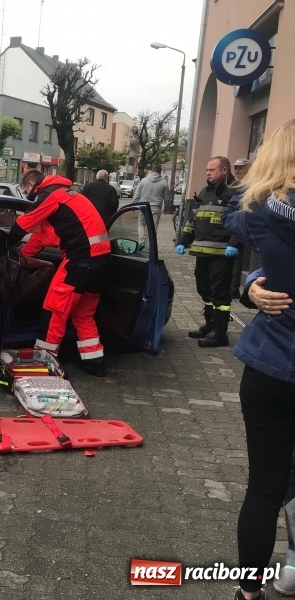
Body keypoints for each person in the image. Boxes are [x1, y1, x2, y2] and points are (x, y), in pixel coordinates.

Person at [222, 119, 295, 600]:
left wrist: (252, 282)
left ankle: (249, 593)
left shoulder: (263, 214)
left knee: (264, 486)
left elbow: (231, 211)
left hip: (272, 364)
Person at [8, 169, 111, 377]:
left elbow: (23, 223)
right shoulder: (68, 196)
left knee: (54, 311)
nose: (28, 194)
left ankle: (44, 364)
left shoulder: (51, 195)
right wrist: (21, 256)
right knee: (83, 314)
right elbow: (43, 236)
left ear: (30, 184)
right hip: (101, 262)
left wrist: (5, 243)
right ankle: (94, 363)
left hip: (80, 261)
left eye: (26, 189)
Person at [175, 156, 237, 348]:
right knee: (205, 291)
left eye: (212, 170)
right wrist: (183, 241)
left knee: (220, 294)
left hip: (221, 254)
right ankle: (210, 326)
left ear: (224, 170)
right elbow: (194, 219)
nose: (208, 173)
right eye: (207, 170)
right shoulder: (205, 191)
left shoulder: (232, 193)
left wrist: (234, 243)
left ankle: (220, 334)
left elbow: (240, 220)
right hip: (201, 251)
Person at [230, 158, 252, 299]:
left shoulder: (250, 186)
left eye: (241, 168)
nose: (237, 170)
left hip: (241, 227)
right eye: (236, 168)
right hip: (232, 225)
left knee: (237, 259)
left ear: (249, 168)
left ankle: (233, 289)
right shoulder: (234, 184)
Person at [133, 165, 170, 244]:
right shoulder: (164, 183)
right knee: (153, 227)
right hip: (156, 208)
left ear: (152, 171)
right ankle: (151, 245)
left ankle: (141, 241)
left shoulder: (143, 181)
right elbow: (167, 198)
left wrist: (134, 205)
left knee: (141, 224)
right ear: (160, 172)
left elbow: (137, 195)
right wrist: (166, 207)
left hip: (144, 207)